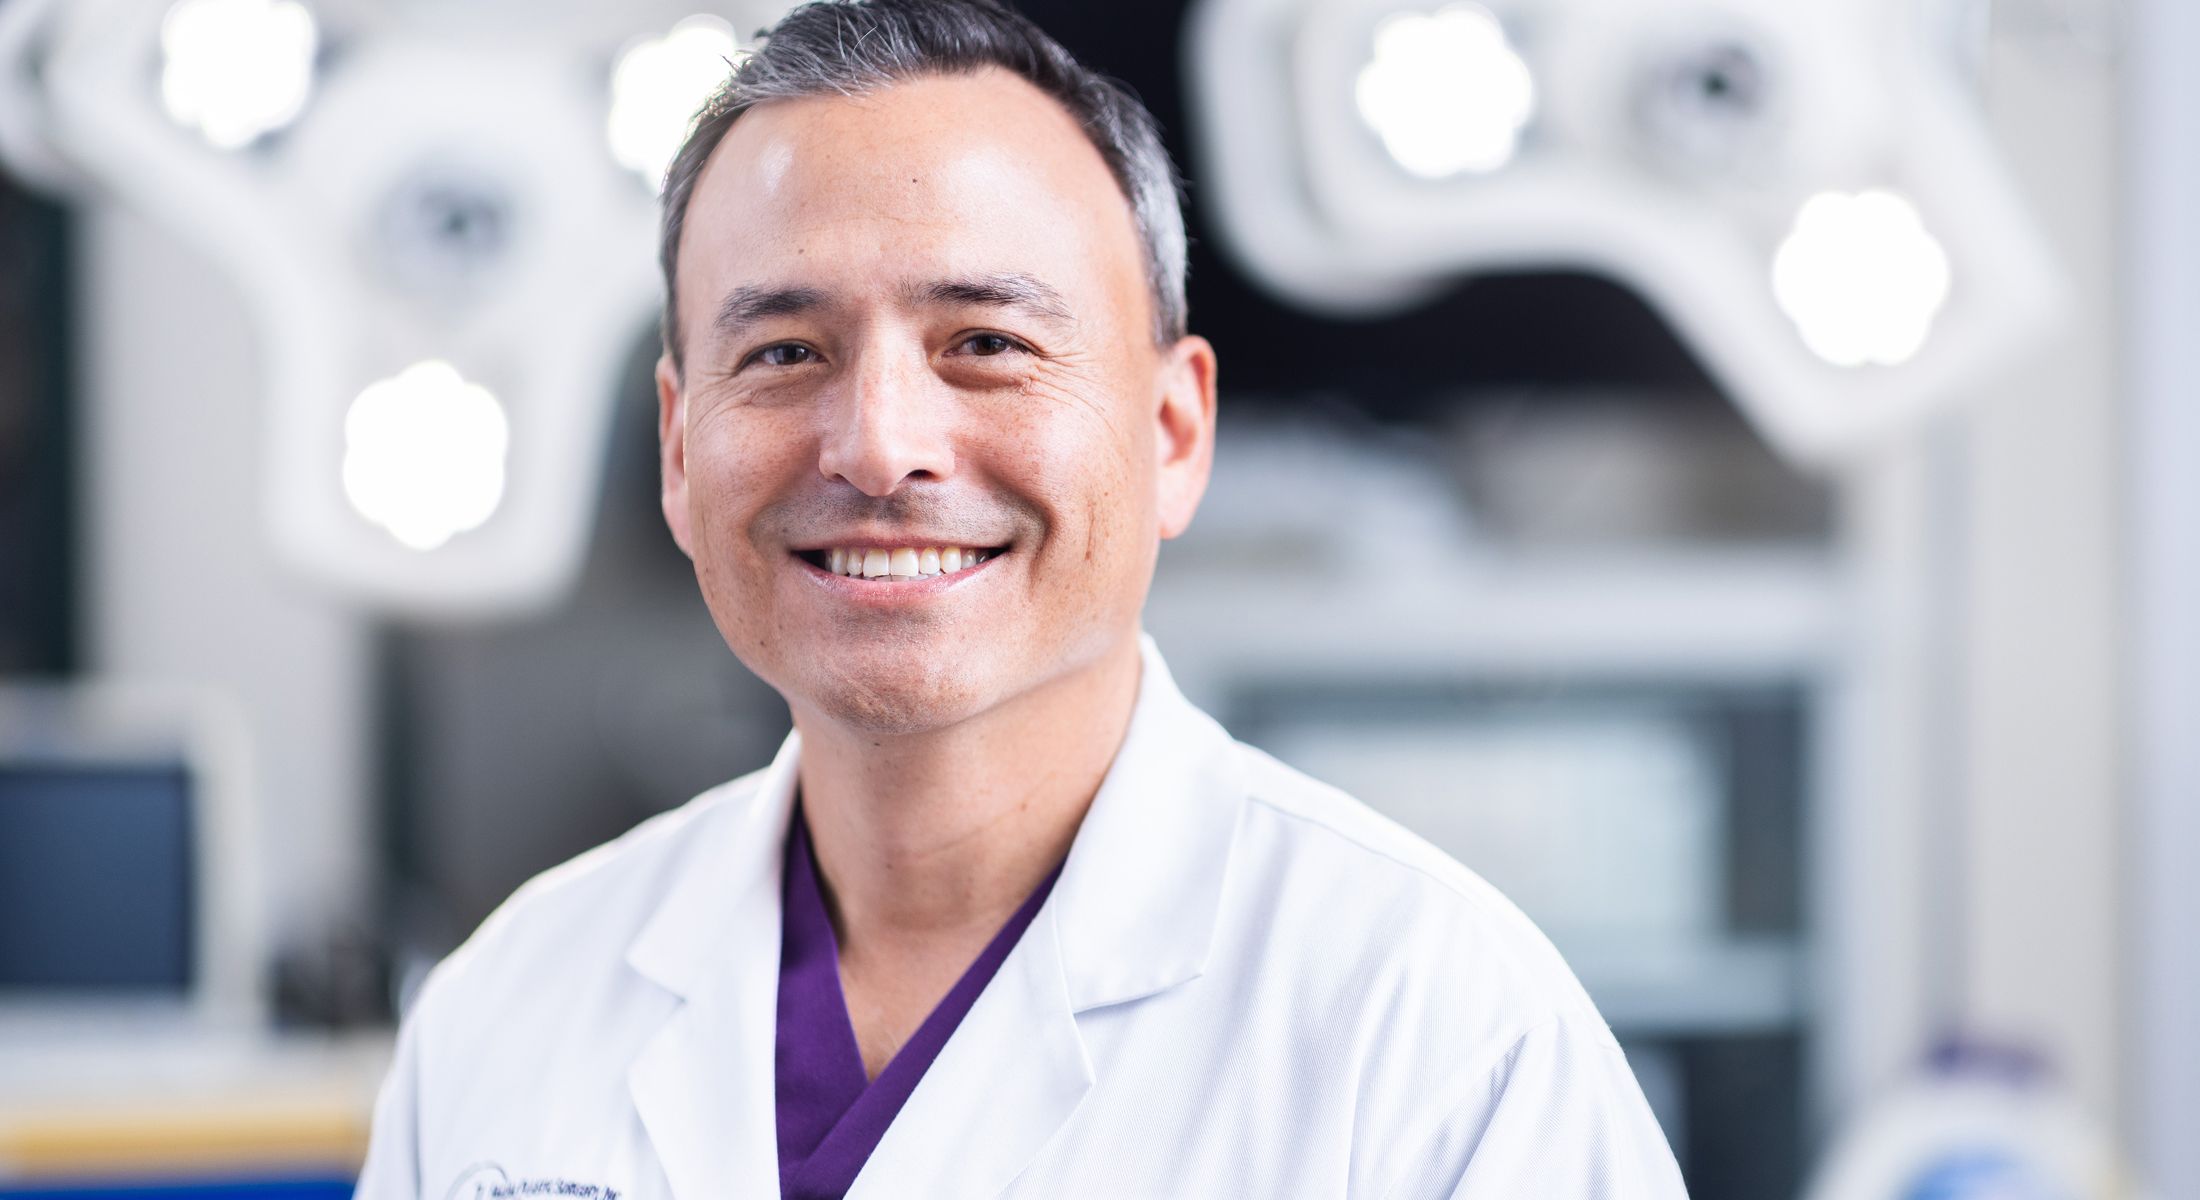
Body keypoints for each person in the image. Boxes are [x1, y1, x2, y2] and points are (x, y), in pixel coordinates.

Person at [353, 1, 1690, 1196]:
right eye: (784, 352)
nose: (879, 446)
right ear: (678, 448)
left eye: (985, 343)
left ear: (1174, 432)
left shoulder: (1440, 1043)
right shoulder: (504, 1014)